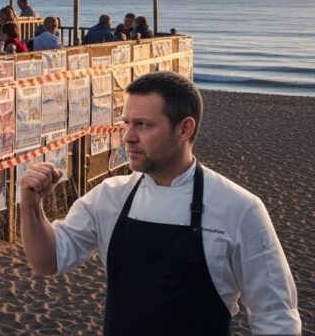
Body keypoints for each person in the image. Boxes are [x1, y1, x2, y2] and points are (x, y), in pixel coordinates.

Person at [19, 71, 300, 335]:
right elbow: (48, 261)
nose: (128, 136)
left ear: (184, 129)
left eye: (143, 124)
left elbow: (275, 316)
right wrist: (31, 205)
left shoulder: (239, 208)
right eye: (126, 123)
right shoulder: (110, 196)